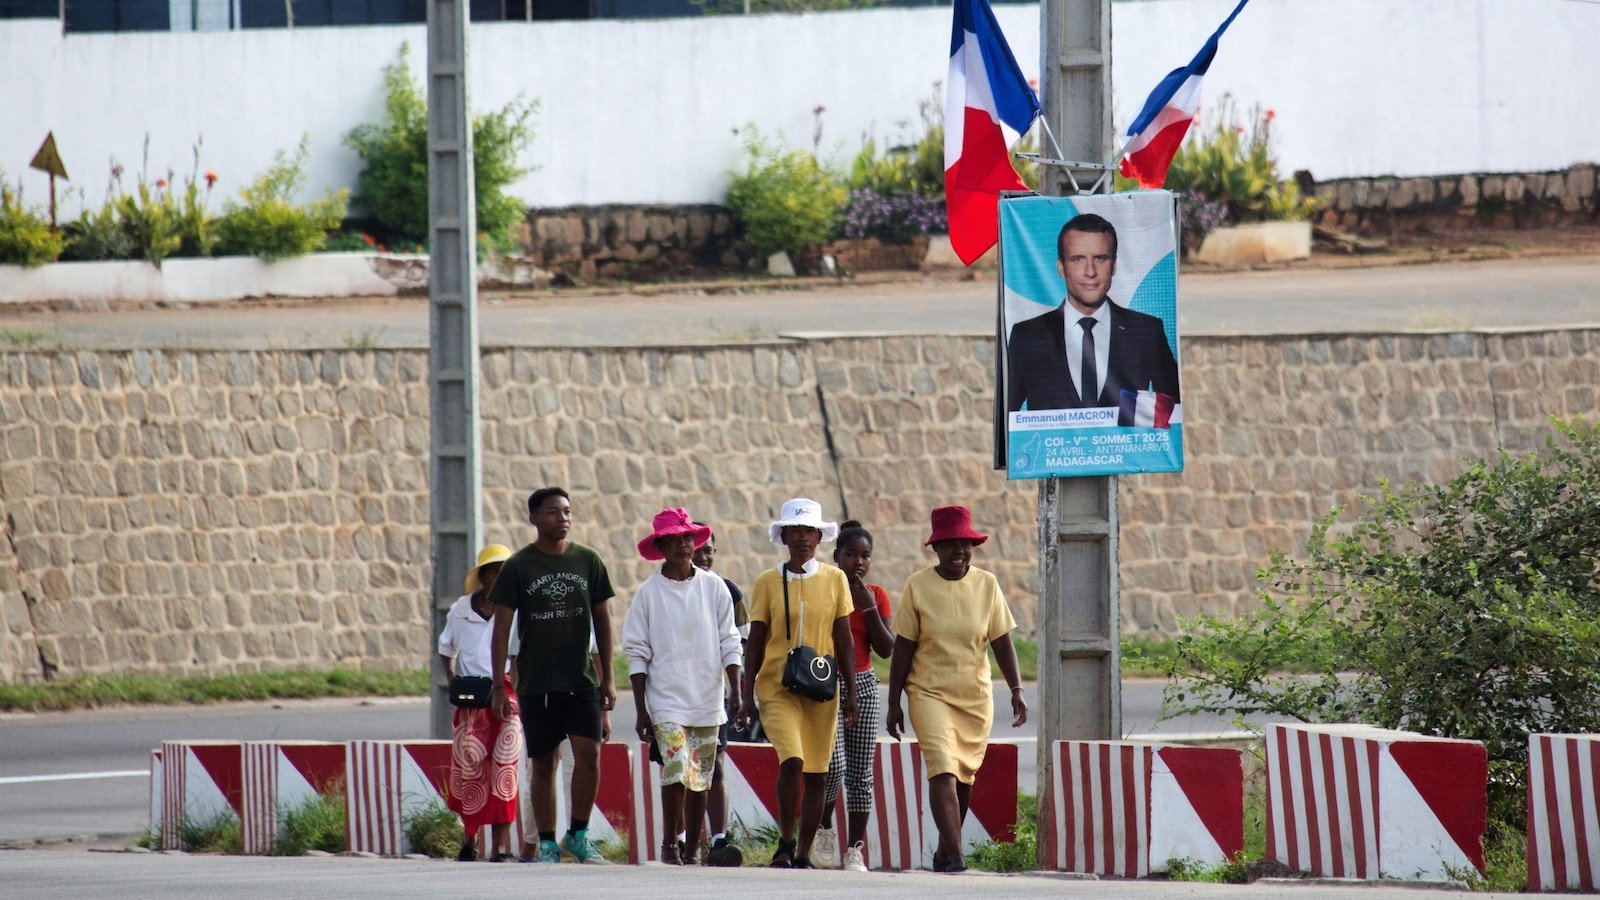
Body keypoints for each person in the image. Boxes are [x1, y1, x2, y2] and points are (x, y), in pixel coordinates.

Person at [886, 506, 1027, 874]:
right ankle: (958, 856)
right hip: (928, 693)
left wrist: (1016, 688)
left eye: (964, 543)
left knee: (964, 775)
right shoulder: (918, 585)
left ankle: (945, 852)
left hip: (974, 696)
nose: (958, 551)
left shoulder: (987, 584)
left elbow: (1001, 641)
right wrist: (894, 702)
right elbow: (903, 648)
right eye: (949, 544)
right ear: (936, 549)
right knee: (943, 769)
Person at [488, 487, 616, 864]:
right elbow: (501, 629)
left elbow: (603, 620)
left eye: (567, 511)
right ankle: (546, 842)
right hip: (536, 681)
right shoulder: (518, 567)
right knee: (543, 762)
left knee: (589, 755)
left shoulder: (588, 560)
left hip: (581, 680)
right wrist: (498, 685)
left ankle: (577, 834)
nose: (562, 518)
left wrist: (608, 676)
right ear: (534, 518)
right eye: (553, 512)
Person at [734, 497, 857, 869]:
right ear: (783, 536)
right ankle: (784, 842)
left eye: (809, 530)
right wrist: (745, 695)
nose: (803, 537)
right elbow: (755, 641)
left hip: (820, 687)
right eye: (795, 530)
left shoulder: (836, 579)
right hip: (777, 686)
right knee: (793, 760)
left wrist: (850, 691)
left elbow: (845, 638)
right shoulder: (768, 581)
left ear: (820, 536)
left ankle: (802, 853)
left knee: (818, 770)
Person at [623, 508, 742, 865]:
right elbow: (637, 652)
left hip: (707, 696)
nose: (683, 544)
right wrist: (642, 709)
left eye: (688, 537)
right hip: (666, 699)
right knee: (675, 768)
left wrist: (735, 690)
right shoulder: (648, 594)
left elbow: (730, 640)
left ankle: (693, 850)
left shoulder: (714, 587)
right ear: (661, 545)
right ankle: (669, 844)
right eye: (674, 539)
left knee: (700, 778)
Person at [1006, 213, 1181, 412]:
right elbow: (1007, 417)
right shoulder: (1027, 336)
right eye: (1078, 259)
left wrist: (1124, 415)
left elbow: (1174, 411)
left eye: (1100, 258)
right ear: (1061, 267)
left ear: (1114, 265)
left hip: (1122, 443)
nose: (1090, 271)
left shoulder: (1147, 330)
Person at [814, 520, 894, 872]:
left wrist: (869, 608)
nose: (858, 562)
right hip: (827, 683)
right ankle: (824, 827)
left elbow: (886, 649)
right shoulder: (823, 587)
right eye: (851, 555)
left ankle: (855, 849)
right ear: (836, 557)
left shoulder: (875, 594)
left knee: (860, 773)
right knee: (833, 767)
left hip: (863, 683)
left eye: (865, 556)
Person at [438, 543, 522, 863]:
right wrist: (452, 680)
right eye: (495, 571)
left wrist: (514, 681)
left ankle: (500, 847)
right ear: (483, 576)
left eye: (505, 572)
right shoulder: (461, 608)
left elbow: (520, 653)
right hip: (472, 700)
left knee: (504, 771)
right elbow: (446, 648)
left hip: (507, 698)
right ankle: (469, 839)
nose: (500, 577)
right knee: (470, 770)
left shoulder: (516, 609)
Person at [691, 523, 748, 867]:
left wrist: (739, 691)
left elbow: (742, 642)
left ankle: (717, 840)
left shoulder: (729, 592)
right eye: (698, 549)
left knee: (716, 767)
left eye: (709, 550)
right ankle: (682, 842)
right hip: (675, 695)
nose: (703, 556)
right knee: (681, 772)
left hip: (715, 695)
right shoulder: (664, 589)